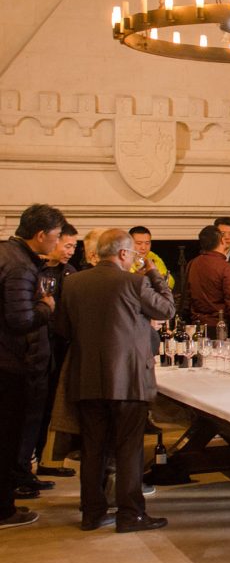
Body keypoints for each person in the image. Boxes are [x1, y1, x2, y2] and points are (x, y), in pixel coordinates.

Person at [57, 228, 174, 532]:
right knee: (128, 449)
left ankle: (92, 513)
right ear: (124, 254)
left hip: (86, 379)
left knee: (93, 448)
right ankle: (130, 514)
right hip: (129, 380)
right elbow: (167, 308)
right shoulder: (135, 282)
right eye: (134, 254)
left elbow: (63, 330)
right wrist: (153, 273)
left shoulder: (72, 283)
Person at [0, 204, 64, 528]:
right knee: (7, 438)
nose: (56, 244)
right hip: (10, 364)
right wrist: (46, 307)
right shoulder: (21, 266)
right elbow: (20, 319)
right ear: (40, 235)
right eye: (54, 237)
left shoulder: (8, 254)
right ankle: (3, 509)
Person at [31, 224, 78, 478]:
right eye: (68, 245)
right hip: (37, 348)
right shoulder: (34, 271)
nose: (71, 251)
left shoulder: (70, 273)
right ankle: (26, 468)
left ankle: (45, 463)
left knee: (51, 410)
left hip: (60, 349)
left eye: (74, 246)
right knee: (33, 411)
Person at [187, 225, 230, 335]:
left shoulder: (192, 263)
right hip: (219, 327)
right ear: (221, 240)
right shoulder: (226, 268)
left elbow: (187, 297)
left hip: (196, 325)